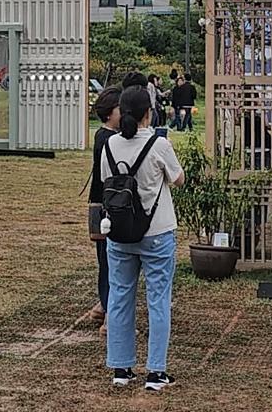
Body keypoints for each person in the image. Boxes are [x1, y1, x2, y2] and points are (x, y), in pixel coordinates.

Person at [101, 86, 185, 392]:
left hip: (120, 233)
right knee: (158, 301)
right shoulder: (158, 144)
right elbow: (178, 179)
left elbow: (104, 181)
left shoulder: (110, 144)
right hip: (157, 232)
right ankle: (155, 371)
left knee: (120, 298)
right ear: (148, 112)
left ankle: (121, 368)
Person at [88, 86, 122, 332]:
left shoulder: (103, 135)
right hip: (105, 207)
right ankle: (110, 314)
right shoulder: (109, 139)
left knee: (106, 259)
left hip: (99, 204)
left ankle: (103, 306)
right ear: (110, 113)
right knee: (109, 261)